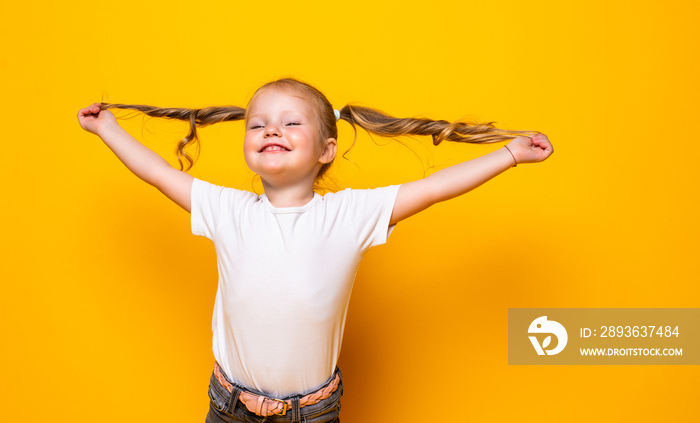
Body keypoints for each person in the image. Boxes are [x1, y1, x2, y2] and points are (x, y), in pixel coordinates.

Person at [77, 77, 553, 422]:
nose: (270, 130)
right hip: (228, 406)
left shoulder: (348, 215)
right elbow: (160, 173)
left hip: (312, 414)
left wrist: (510, 154)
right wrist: (108, 130)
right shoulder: (227, 210)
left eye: (289, 122)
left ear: (326, 150)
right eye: (258, 124)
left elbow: (431, 189)